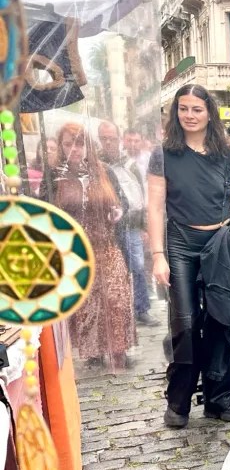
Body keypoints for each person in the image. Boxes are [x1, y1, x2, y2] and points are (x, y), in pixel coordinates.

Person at [148, 84, 230, 429]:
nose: (189, 115)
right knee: (185, 324)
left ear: (209, 114)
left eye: (196, 109)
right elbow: (156, 208)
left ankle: (219, 398)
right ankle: (178, 401)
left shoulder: (227, 156)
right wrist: (158, 255)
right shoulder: (163, 154)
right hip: (179, 242)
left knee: (222, 318)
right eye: (183, 108)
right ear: (176, 113)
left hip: (220, 242)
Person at [54, 122, 136, 370]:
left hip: (108, 245)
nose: (75, 149)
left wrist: (117, 212)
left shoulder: (104, 172)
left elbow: (123, 202)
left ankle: (119, 348)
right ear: (61, 146)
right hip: (76, 251)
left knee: (116, 298)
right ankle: (93, 351)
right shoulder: (56, 176)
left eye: (79, 143)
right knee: (88, 303)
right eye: (69, 144)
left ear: (88, 145)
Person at [98, 120, 158, 326]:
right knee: (115, 269)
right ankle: (119, 311)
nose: (108, 142)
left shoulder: (129, 165)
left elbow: (140, 196)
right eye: (104, 138)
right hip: (104, 227)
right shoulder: (96, 163)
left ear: (118, 139)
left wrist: (144, 227)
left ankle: (141, 308)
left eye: (112, 138)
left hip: (130, 224)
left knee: (138, 266)